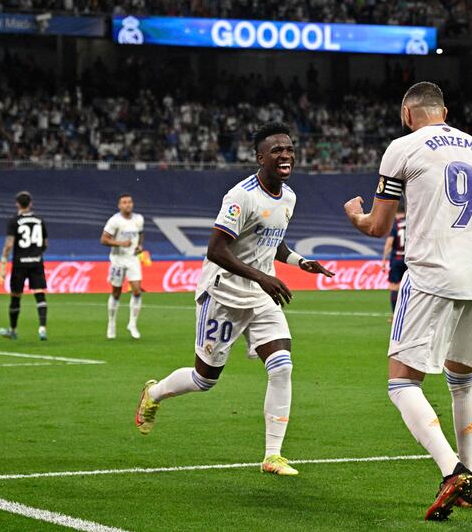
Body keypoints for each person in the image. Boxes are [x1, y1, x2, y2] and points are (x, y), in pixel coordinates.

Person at [135, 122, 334, 476]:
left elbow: (273, 241)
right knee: (204, 379)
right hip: (224, 292)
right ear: (260, 157)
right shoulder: (241, 196)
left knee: (282, 365)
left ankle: (272, 455)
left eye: (289, 149)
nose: (285, 155)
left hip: (259, 295)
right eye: (277, 150)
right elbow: (215, 249)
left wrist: (299, 261)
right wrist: (263, 276)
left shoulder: (288, 196)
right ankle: (155, 394)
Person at [344, 82, 472, 521]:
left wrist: (353, 212)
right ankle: (469, 479)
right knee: (463, 382)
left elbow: (377, 227)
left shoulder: (403, 147)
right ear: (444, 111)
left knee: (401, 383)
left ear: (407, 114)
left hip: (432, 275)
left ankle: (452, 471)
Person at [0, 191, 49, 341]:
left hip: (20, 263)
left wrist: (2, 264)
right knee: (40, 295)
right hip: (36, 262)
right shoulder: (40, 220)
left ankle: (13, 330)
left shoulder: (14, 221)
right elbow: (45, 243)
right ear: (31, 204)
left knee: (16, 296)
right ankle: (42, 329)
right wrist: (37, 253)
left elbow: (9, 245)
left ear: (17, 204)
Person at [101, 194, 145, 340]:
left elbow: (140, 234)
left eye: (130, 202)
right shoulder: (114, 221)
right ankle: (111, 323)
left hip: (132, 258)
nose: (128, 204)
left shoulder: (139, 219)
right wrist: (121, 244)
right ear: (119, 205)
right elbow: (104, 239)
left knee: (137, 291)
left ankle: (132, 324)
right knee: (116, 293)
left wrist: (139, 245)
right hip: (118, 260)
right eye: (124, 202)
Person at [381, 204, 407, 312]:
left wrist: (383, 261)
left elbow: (389, 244)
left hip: (396, 259)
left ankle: (395, 314)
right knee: (412, 287)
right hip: (409, 260)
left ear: (395, 213)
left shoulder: (395, 225)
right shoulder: (411, 224)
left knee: (394, 287)